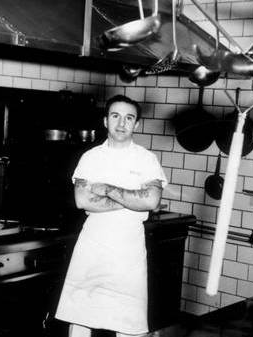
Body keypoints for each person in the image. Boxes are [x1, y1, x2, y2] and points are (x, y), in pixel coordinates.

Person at [55, 94, 167, 337]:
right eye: (115, 116)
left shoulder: (146, 159)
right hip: (93, 242)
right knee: (81, 315)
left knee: (128, 318)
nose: (121, 123)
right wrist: (133, 199)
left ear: (136, 124)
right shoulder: (91, 157)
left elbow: (151, 200)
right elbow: (82, 200)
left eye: (129, 118)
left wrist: (106, 189)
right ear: (105, 121)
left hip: (128, 246)